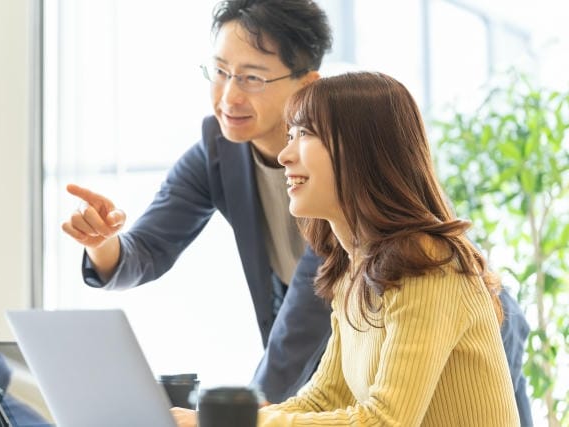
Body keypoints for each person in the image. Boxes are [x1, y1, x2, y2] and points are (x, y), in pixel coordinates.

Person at [62, 1, 532, 421]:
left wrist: (232, 419)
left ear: (306, 83)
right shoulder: (346, 259)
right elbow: (323, 397)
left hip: (459, 321)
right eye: (220, 71)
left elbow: (324, 368)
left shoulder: (419, 265)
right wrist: (103, 242)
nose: (229, 96)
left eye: (252, 77)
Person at [174, 71, 521, 426]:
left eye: (306, 134)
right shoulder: (354, 267)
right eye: (290, 135)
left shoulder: (428, 264)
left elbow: (384, 421)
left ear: (362, 151)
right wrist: (211, 419)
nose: (284, 155)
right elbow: (324, 398)